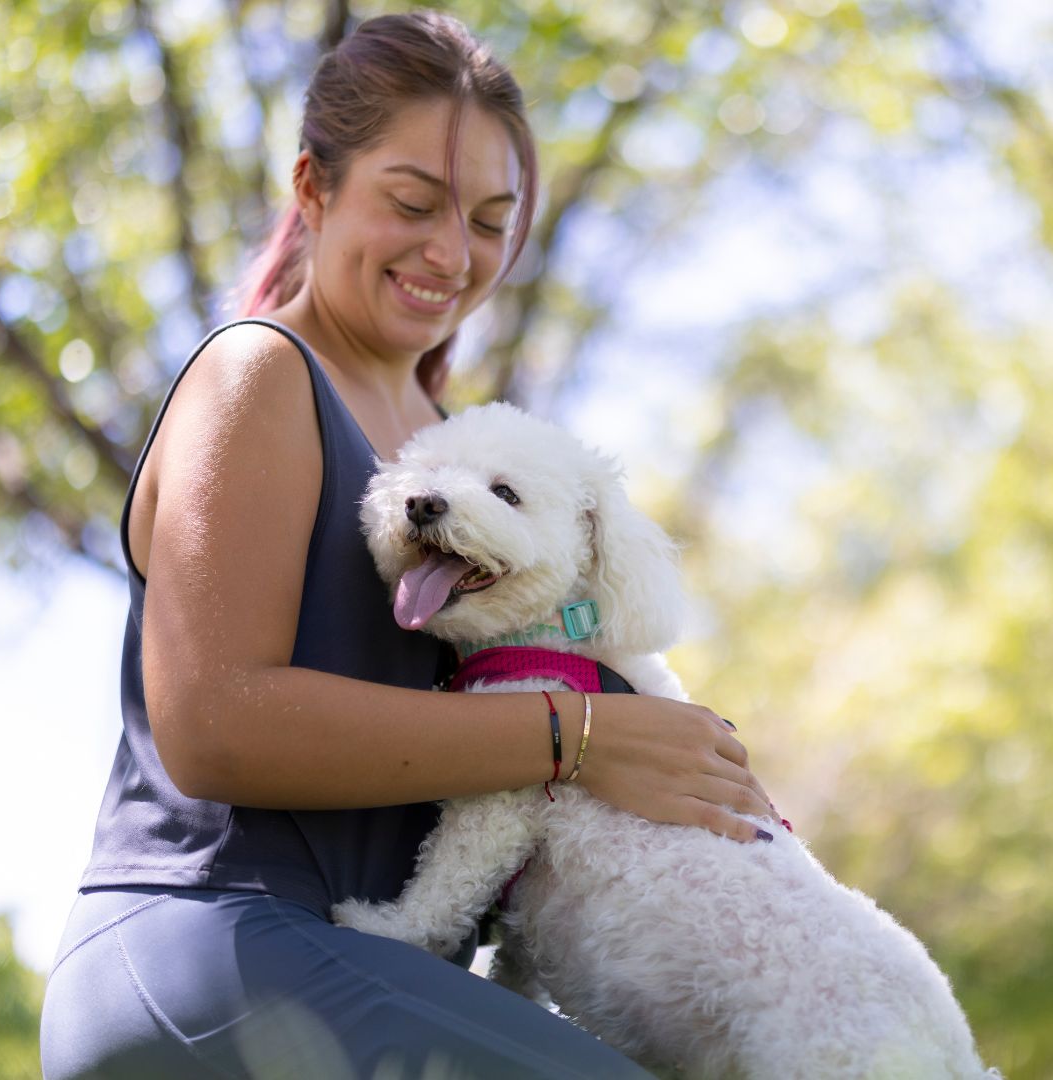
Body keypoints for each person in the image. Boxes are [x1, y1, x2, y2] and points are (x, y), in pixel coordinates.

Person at [39, 11, 782, 1079]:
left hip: (367, 965)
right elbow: (211, 722)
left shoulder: (447, 463)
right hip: (214, 944)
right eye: (412, 203)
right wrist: (581, 734)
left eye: (489, 220)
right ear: (313, 188)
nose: (452, 253)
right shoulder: (259, 374)